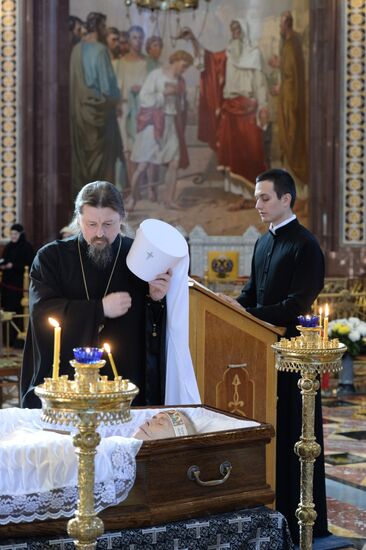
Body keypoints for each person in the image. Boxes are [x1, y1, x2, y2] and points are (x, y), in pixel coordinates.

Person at [219, 168, 327, 544]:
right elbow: (253, 293)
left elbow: (296, 306)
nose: (257, 204)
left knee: (296, 432)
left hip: (294, 358)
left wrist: (249, 314)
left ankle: (305, 521)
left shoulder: (306, 245)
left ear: (286, 199)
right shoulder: (263, 242)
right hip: (261, 352)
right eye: (256, 197)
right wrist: (231, 306)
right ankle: (270, 511)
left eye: (264, 197)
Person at [21, 181, 171, 409]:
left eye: (109, 224)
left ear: (122, 218)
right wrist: (99, 309)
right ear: (77, 219)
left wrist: (156, 299)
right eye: (91, 224)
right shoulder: (52, 258)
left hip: (127, 381)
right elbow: (42, 313)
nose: (100, 233)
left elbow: (161, 331)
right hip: (67, 383)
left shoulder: (141, 256)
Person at [182, 19, 269, 204]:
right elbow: (208, 61)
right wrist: (194, 41)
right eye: (232, 30)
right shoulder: (227, 55)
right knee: (232, 153)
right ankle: (241, 196)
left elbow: (261, 83)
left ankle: (253, 197)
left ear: (244, 31)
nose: (235, 32)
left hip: (249, 109)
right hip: (230, 109)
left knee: (252, 152)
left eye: (237, 29)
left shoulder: (254, 55)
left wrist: (263, 106)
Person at [127, 50, 193, 211]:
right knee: (143, 165)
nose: (183, 70)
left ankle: (169, 199)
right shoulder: (156, 75)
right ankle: (132, 199)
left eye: (186, 68)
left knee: (174, 162)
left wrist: (182, 100)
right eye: (183, 66)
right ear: (176, 60)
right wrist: (165, 93)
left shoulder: (180, 81)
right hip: (155, 123)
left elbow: (181, 104)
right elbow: (144, 98)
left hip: (171, 123)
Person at [69, 12, 123, 195]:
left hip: (81, 112)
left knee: (85, 158)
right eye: (103, 26)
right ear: (99, 27)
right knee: (104, 158)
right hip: (100, 112)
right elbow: (107, 88)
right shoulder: (100, 49)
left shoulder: (77, 49)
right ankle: (102, 198)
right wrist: (118, 98)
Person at [269, 11, 308, 185]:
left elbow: (291, 73)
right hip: (287, 96)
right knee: (287, 139)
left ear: (287, 25)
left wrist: (279, 65)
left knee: (291, 138)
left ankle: (297, 186)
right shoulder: (289, 44)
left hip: (291, 101)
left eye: (281, 24)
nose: (279, 27)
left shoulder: (292, 45)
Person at [0, 224, 35, 346]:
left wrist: (13, 266)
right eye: (12, 234)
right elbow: (4, 260)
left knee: (19, 311)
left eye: (15, 234)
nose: (13, 236)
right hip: (8, 287)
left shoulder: (26, 247)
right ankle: (8, 340)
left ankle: (19, 341)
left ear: (20, 234)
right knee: (8, 312)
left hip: (20, 287)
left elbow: (29, 265)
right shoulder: (9, 246)